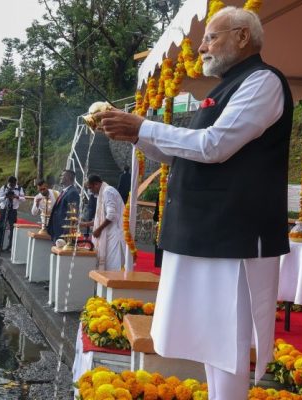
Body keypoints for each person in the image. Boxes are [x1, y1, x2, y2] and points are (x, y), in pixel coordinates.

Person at [96, 7, 292, 398]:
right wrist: (138, 137)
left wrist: (144, 126)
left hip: (233, 235)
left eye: (211, 37)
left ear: (241, 37)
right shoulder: (222, 88)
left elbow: (214, 146)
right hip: (203, 232)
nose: (201, 46)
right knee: (209, 341)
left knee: (228, 345)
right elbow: (186, 152)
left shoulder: (262, 82)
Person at [81, 175, 126, 271]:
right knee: (108, 265)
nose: (90, 191)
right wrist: (85, 224)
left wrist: (98, 230)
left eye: (90, 188)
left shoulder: (108, 192)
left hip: (115, 235)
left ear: (96, 184)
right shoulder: (103, 192)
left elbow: (111, 215)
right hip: (109, 235)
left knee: (112, 267)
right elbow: (100, 219)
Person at [47, 170, 81, 242]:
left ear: (68, 177)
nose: (60, 177)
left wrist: (66, 233)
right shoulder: (64, 191)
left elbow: (72, 214)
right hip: (57, 230)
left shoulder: (73, 193)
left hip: (63, 233)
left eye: (62, 176)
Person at [0, 176, 26, 251]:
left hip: (13, 210)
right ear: (8, 182)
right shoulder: (4, 187)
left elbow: (24, 199)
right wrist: (5, 197)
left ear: (15, 183)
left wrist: (17, 197)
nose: (11, 186)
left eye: (13, 185)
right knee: (1, 227)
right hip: (4, 209)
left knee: (12, 228)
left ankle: (10, 246)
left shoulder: (19, 188)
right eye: (10, 185)